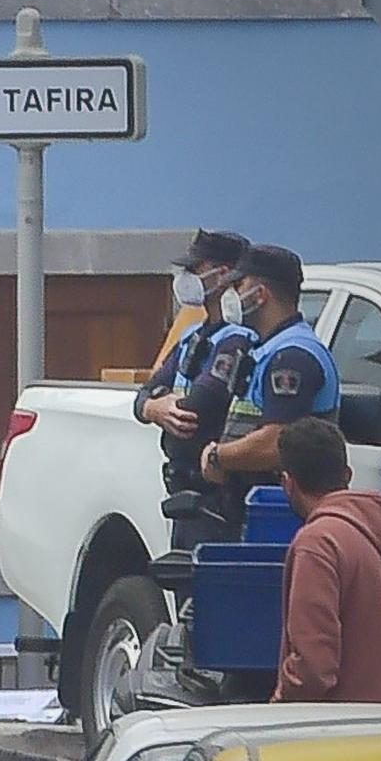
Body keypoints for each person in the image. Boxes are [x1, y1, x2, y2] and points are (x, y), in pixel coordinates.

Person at [273, 418, 381, 703]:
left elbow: (313, 667)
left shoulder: (318, 543)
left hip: (338, 734)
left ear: (287, 483)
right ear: (347, 475)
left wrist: (278, 706)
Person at [198, 244, 340, 533]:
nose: (232, 296)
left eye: (239, 286)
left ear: (260, 294)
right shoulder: (265, 348)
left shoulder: (292, 357)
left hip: (279, 515)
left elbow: (277, 442)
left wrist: (217, 456)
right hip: (250, 508)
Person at [135, 229, 256, 548]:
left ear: (224, 273)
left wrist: (163, 404)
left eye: (195, 269)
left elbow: (197, 408)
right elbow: (145, 394)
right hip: (184, 493)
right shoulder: (193, 336)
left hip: (218, 496)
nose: (186, 278)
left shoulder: (238, 338)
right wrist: (153, 407)